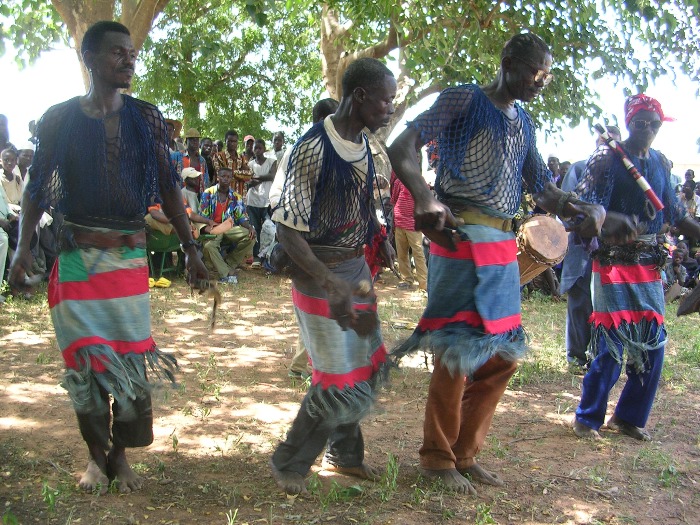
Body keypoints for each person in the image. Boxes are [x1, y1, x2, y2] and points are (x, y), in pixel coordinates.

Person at [387, 33, 606, 495]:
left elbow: (543, 190)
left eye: (546, 75)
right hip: (461, 234)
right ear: (508, 63)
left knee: (502, 355)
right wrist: (424, 198)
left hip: (504, 242)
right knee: (457, 349)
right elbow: (401, 146)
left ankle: (464, 453)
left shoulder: (524, 122)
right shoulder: (464, 98)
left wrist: (577, 205)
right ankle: (436, 456)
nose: (540, 82)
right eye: (535, 72)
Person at [8, 21, 208, 494]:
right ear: (90, 59)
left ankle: (120, 454)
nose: (129, 59)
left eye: (132, 52)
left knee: (130, 361)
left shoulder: (147, 117)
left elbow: (169, 189)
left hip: (128, 259)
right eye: (118, 52)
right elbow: (37, 191)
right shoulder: (59, 119)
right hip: (76, 258)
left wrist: (191, 248)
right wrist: (20, 250)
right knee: (86, 362)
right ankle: (97, 458)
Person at [268, 58, 396, 495]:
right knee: (337, 377)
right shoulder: (311, 148)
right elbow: (287, 229)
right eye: (385, 101)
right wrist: (327, 281)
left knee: (362, 367)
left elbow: (362, 206)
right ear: (358, 96)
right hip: (318, 277)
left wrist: (380, 237)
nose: (390, 110)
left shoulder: (365, 146)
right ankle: (290, 462)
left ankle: (345, 455)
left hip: (355, 271)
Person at [572, 94, 700, 441]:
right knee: (612, 340)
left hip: (649, 262)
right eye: (640, 122)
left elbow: (675, 213)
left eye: (653, 124)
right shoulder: (608, 156)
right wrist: (608, 219)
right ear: (629, 121)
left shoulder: (659, 163)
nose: (647, 129)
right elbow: (582, 207)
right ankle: (588, 416)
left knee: (652, 342)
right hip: (613, 260)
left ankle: (628, 418)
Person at [277, 98, 340, 381]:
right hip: (305, 245)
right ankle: (313, 368)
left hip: (335, 247)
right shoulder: (298, 152)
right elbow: (276, 201)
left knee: (321, 308)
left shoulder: (342, 153)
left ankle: (304, 366)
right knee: (312, 306)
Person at [560, 125, 622, 369]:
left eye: (612, 146)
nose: (606, 150)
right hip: (581, 249)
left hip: (612, 251)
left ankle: (601, 356)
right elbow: (565, 207)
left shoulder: (623, 177)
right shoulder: (579, 168)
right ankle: (576, 356)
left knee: (607, 304)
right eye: (602, 145)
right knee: (580, 301)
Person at [198, 167, 255, 283]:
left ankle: (229, 264)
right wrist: (210, 227)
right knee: (209, 246)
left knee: (251, 237)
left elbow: (241, 217)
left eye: (228, 177)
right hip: (214, 228)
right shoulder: (208, 193)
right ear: (218, 177)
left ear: (231, 179)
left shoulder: (235, 196)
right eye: (223, 176)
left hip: (229, 228)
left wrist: (250, 227)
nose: (226, 179)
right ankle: (226, 273)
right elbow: (202, 216)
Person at [391, 164, 428, 291]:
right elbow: (394, 199)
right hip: (399, 222)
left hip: (414, 224)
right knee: (401, 253)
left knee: (418, 252)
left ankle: (424, 283)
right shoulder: (399, 182)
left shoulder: (420, 182)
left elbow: (425, 200)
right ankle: (406, 279)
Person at [247, 139, 277, 268]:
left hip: (268, 201)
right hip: (252, 200)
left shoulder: (272, 162)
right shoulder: (250, 164)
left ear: (264, 149)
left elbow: (272, 176)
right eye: (255, 148)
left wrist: (256, 178)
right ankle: (256, 257)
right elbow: (247, 180)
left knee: (269, 228)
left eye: (260, 148)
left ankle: (268, 256)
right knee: (255, 229)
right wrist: (253, 180)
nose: (258, 150)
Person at [171, 128, 209, 210]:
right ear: (186, 141)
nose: (195, 142)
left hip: (198, 195)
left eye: (196, 140)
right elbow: (169, 174)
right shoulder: (177, 156)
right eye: (192, 140)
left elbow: (205, 179)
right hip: (181, 194)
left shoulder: (202, 160)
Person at [213, 130, 250, 196]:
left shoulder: (242, 158)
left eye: (234, 141)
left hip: (240, 194)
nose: (232, 144)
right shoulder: (218, 156)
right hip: (224, 195)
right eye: (230, 141)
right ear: (225, 141)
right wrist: (241, 172)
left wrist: (231, 173)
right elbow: (220, 175)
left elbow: (249, 176)